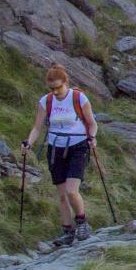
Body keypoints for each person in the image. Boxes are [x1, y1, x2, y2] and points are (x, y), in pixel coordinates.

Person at [25, 64, 98, 246]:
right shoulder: (46, 102)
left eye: (58, 87)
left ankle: (82, 223)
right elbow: (37, 128)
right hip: (55, 149)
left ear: (66, 82)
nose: (55, 92)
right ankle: (67, 232)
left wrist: (92, 137)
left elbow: (92, 123)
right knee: (62, 196)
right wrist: (28, 143)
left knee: (71, 192)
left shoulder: (78, 98)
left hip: (77, 147)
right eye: (51, 89)